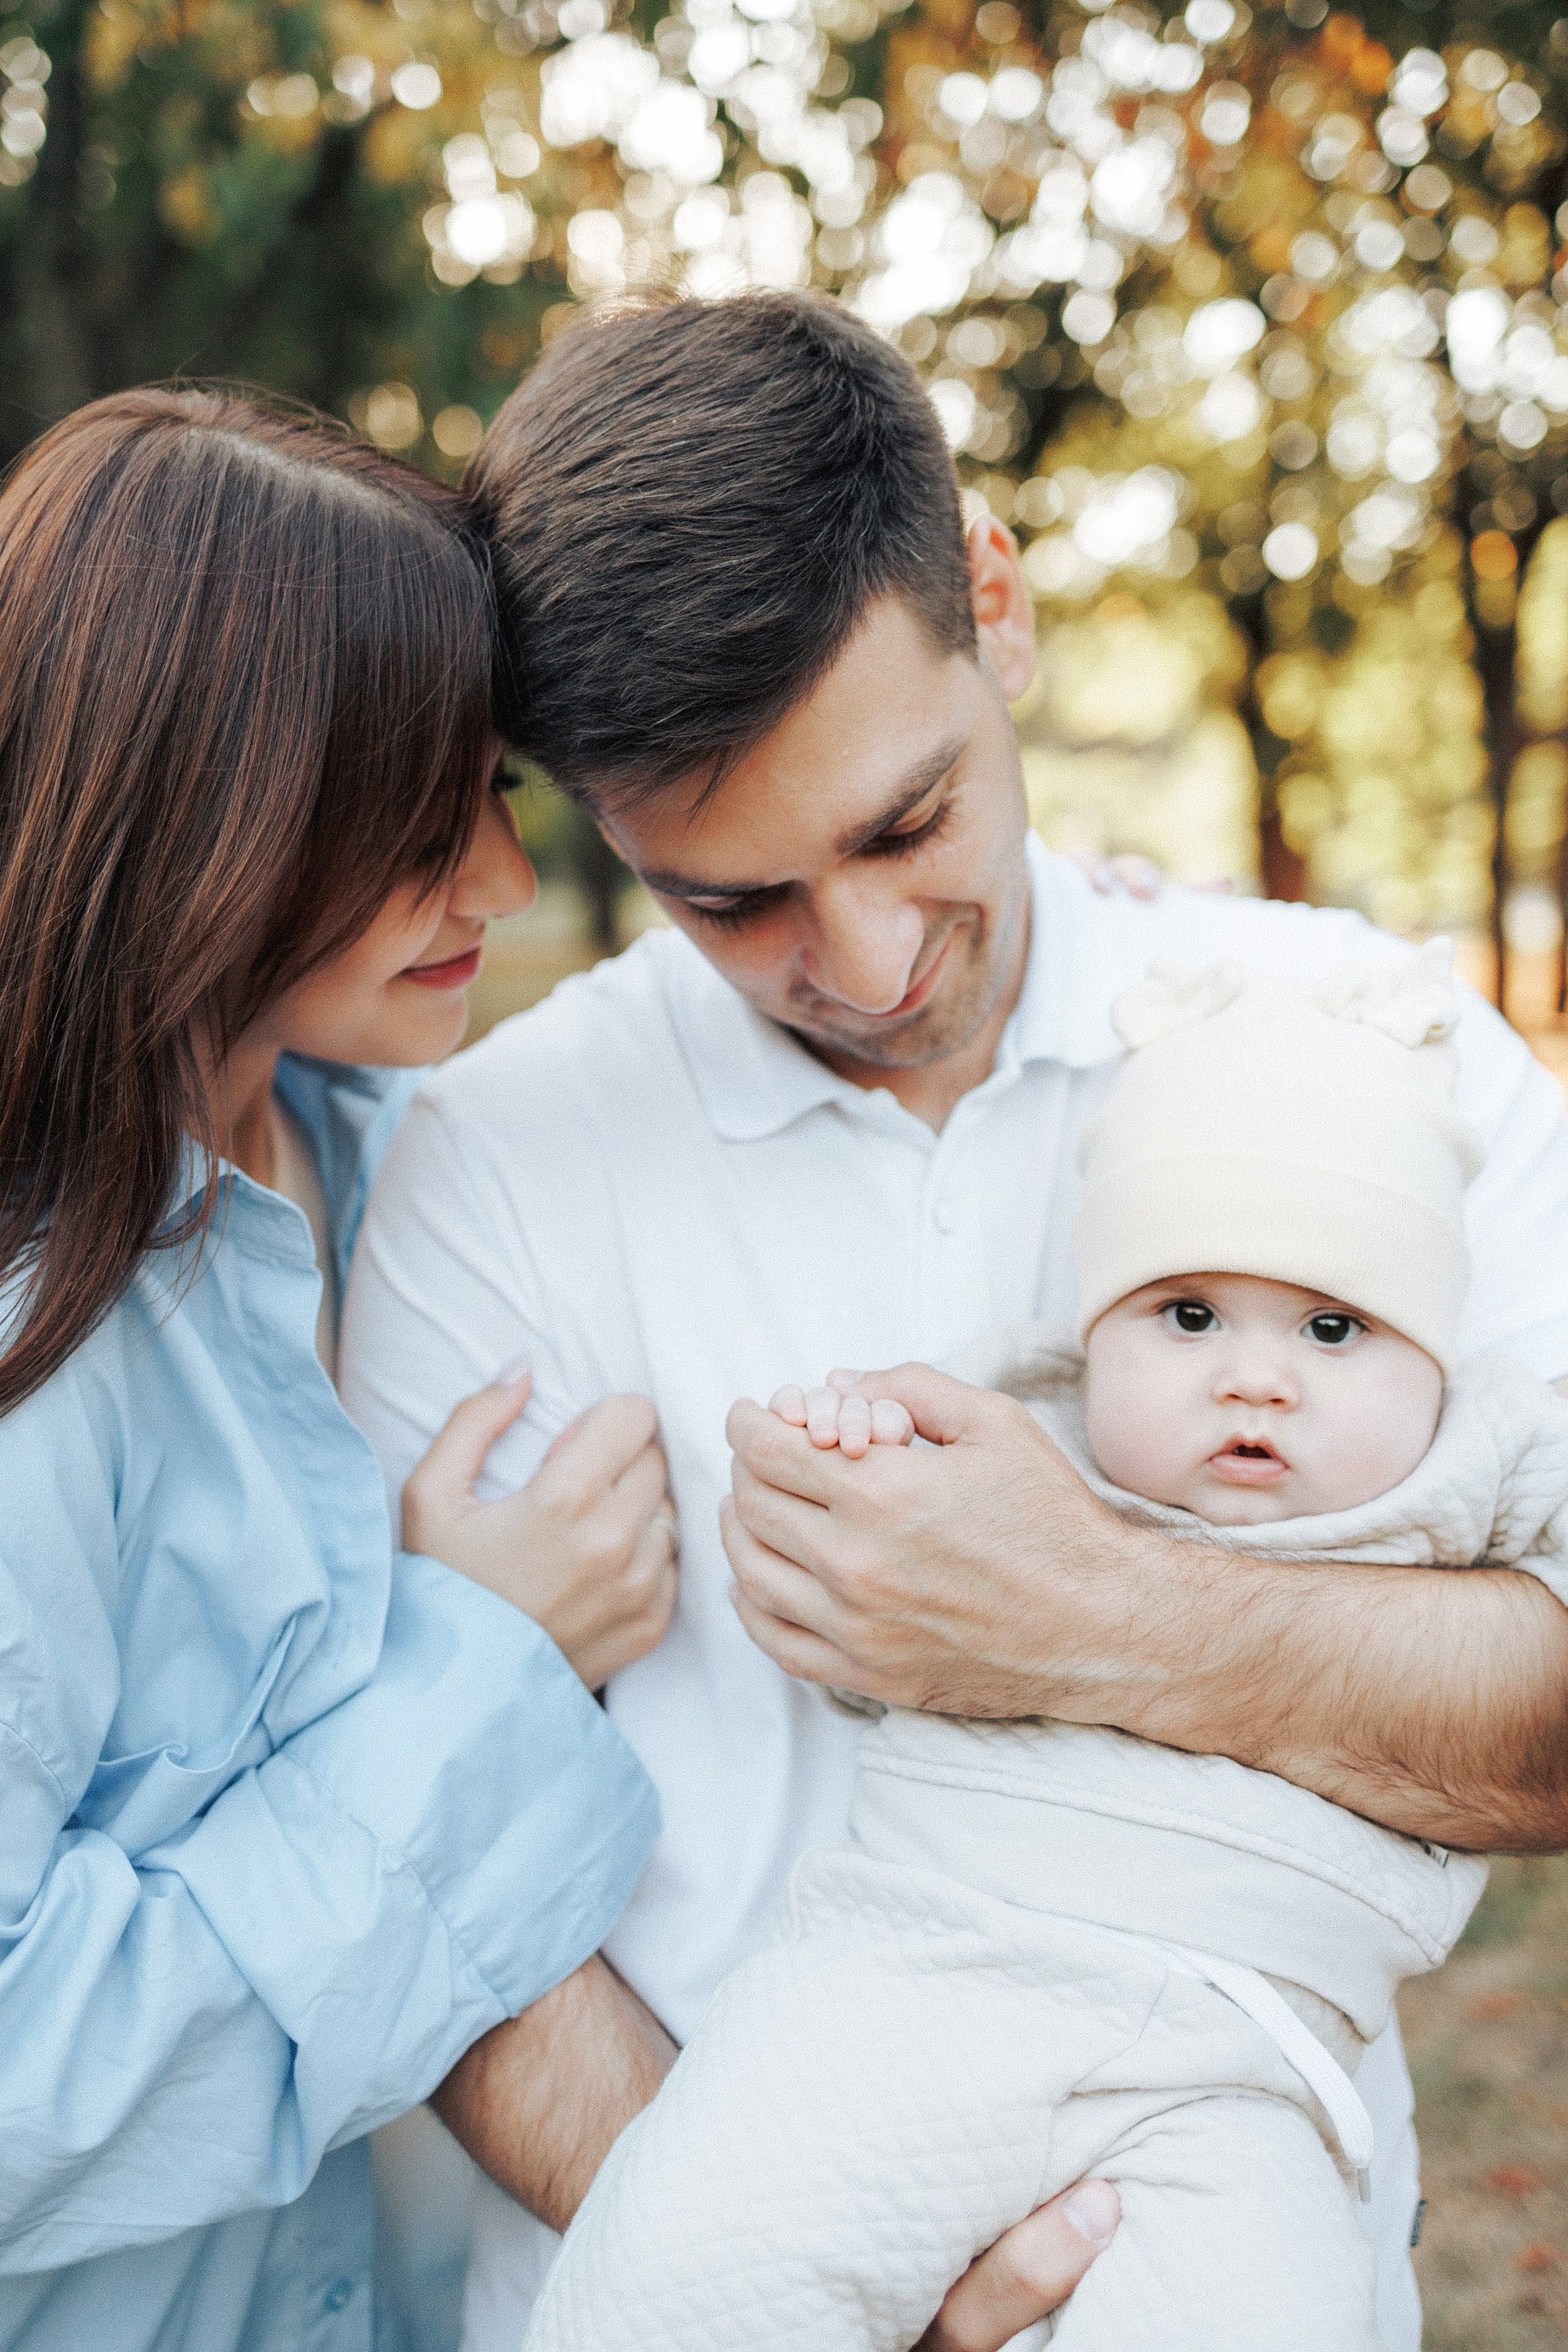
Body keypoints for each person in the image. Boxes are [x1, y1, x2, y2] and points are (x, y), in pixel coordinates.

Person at [337, 291, 1568, 2352]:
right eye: (735, 903)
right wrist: (842, 2284)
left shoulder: (1380, 1052)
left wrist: (1102, 1613)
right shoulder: (490, 1165)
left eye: (905, 824)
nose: (872, 957)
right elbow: (419, 1851)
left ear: (992, 605)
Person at [522, 944, 1568, 2352]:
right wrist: (840, 1466)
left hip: (1239, 2069)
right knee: (684, 2277)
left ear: (1432, 1360)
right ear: (1096, 1334)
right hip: (917, 1987)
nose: (1253, 1376)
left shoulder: (1481, 1462)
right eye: (1185, 1317)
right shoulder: (1022, 1437)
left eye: (1332, 1328)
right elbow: (862, 1626)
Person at [0, 388, 683, 2352]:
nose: (495, 886)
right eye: (412, 827)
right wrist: (467, 1662)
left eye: (495, 796)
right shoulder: (43, 1344)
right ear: (200, 825)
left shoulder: (408, 1177)